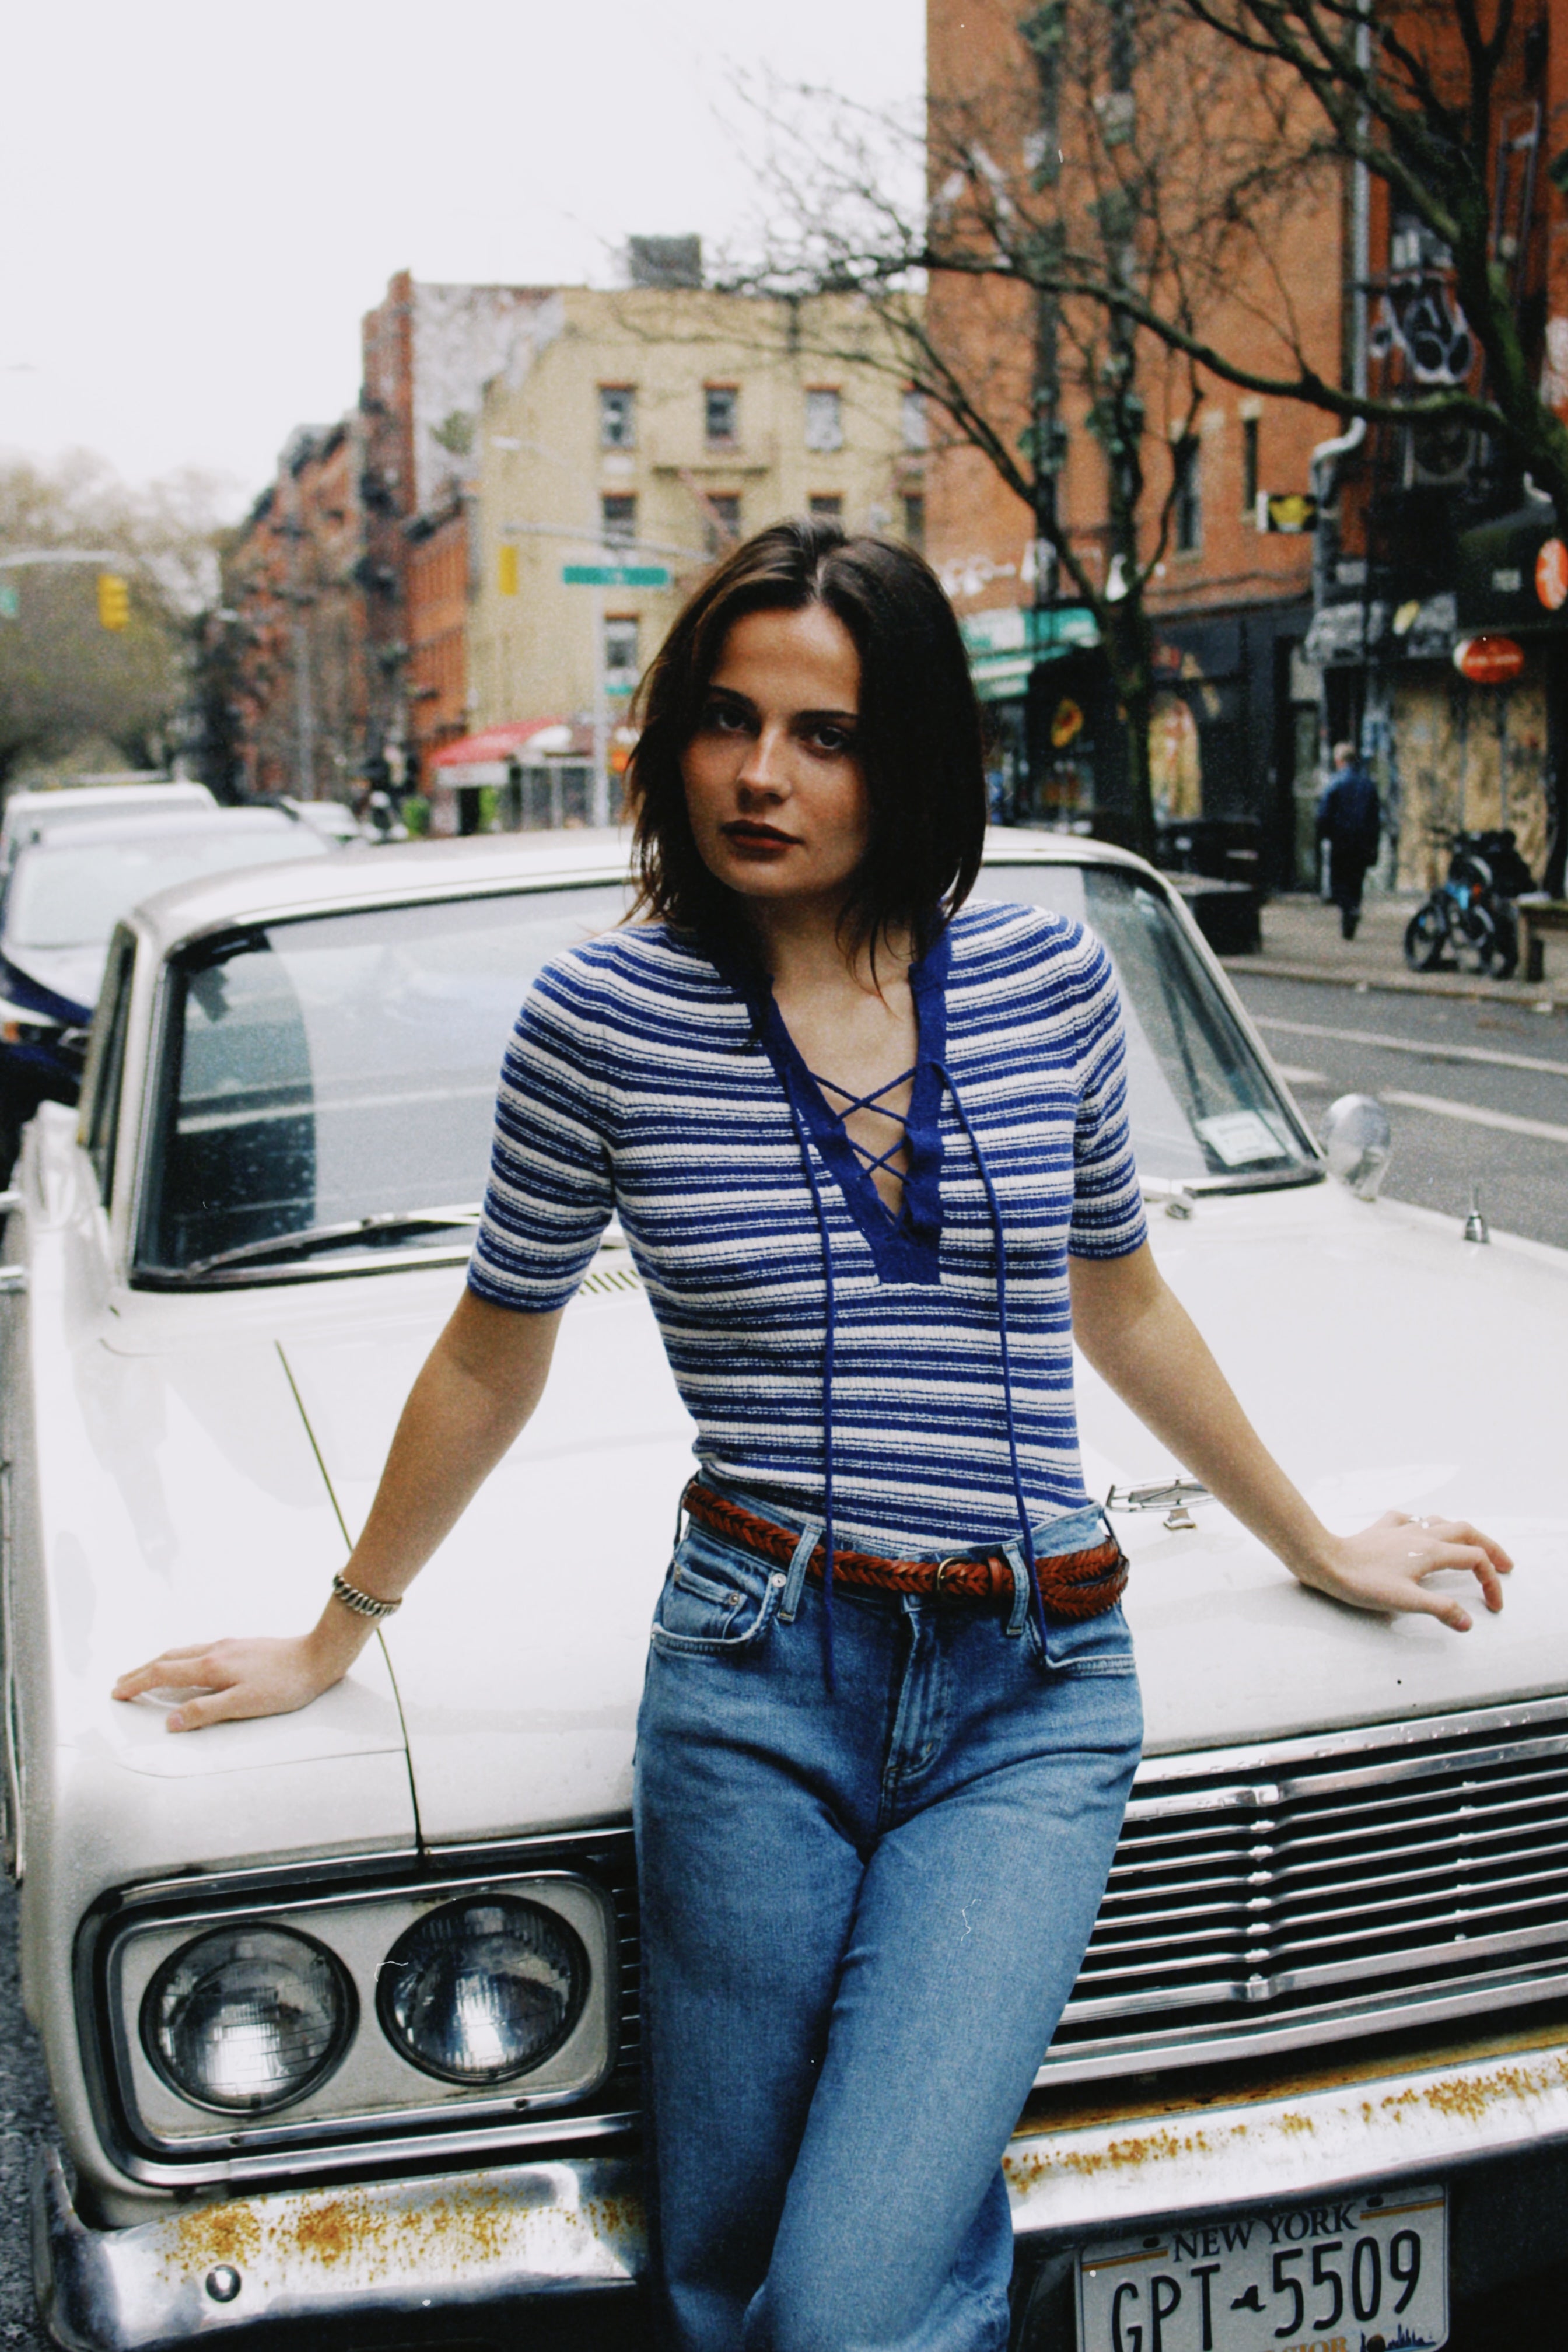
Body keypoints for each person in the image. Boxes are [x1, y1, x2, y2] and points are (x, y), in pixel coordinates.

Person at [114, 522, 1508, 2352]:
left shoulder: (1047, 985)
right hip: (755, 1678)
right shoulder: (603, 1020)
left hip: (1031, 1686)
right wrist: (334, 1631)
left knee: (848, 2296)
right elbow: (487, 1356)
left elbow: (1125, 1303)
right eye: (724, 718)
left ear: (911, 756)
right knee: (727, 2262)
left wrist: (1312, 1540)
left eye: (824, 735)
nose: (758, 774)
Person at [1317, 740, 1382, 939]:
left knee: (1339, 882)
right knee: (1356, 881)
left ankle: (1349, 911)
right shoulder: (1368, 784)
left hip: (1341, 840)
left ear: (1339, 761)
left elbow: (1324, 814)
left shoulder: (1335, 783)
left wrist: (1324, 835)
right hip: (1363, 842)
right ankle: (1351, 914)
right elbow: (1376, 817)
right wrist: (1373, 842)